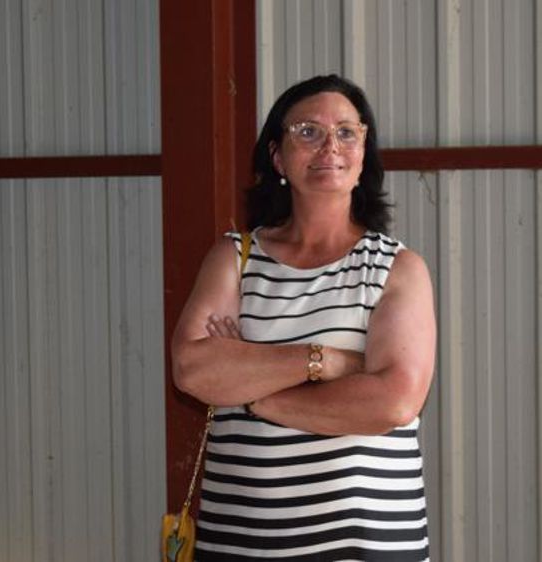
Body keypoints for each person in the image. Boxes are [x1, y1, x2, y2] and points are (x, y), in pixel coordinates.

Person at [172, 74, 435, 560]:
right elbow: (192, 370)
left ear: (363, 154)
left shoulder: (397, 268)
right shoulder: (236, 257)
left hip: (366, 542)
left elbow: (393, 400)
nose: (329, 146)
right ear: (277, 157)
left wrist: (254, 395)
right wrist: (329, 361)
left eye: (346, 132)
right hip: (240, 538)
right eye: (307, 132)